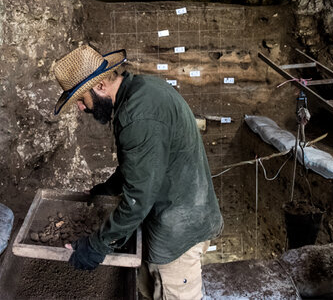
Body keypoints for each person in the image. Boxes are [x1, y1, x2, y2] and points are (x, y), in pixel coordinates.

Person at [53, 44, 223, 299]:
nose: (81, 107)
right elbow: (145, 163)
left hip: (178, 232)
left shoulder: (137, 116)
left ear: (99, 86)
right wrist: (110, 188)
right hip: (174, 215)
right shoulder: (140, 91)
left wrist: (97, 245)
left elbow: (138, 200)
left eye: (80, 99)